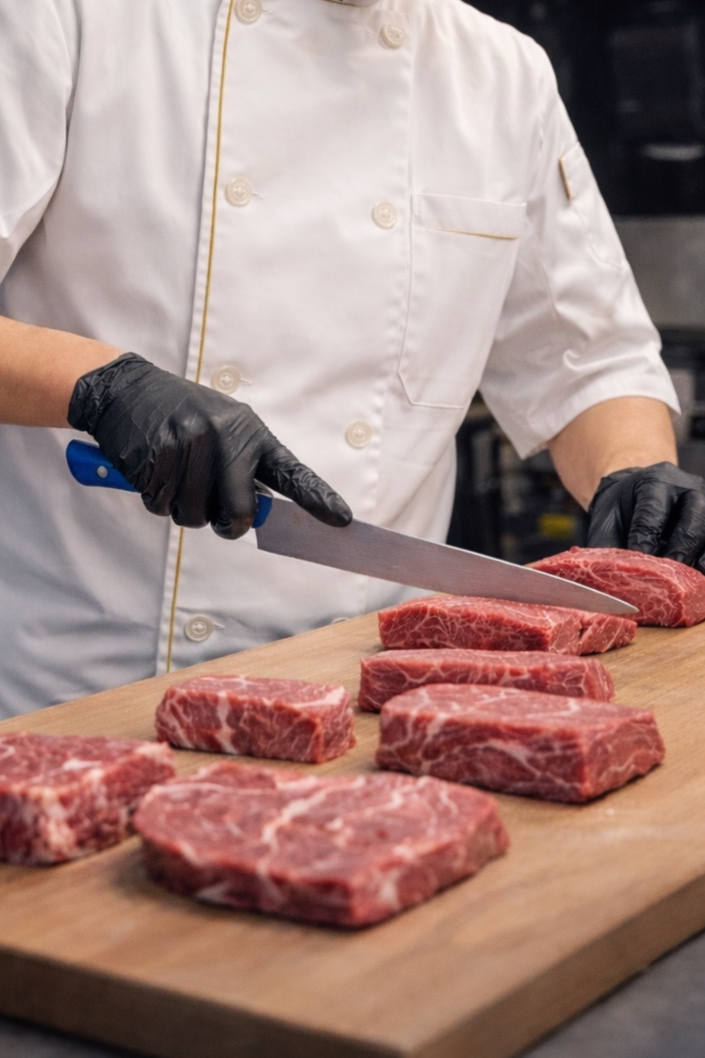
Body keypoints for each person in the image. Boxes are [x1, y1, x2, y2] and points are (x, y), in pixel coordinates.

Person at [1, 0, 703, 719]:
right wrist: (100, 389)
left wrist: (633, 473)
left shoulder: (501, 71)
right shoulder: (67, 15)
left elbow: (586, 363)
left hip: (374, 704)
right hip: (76, 694)